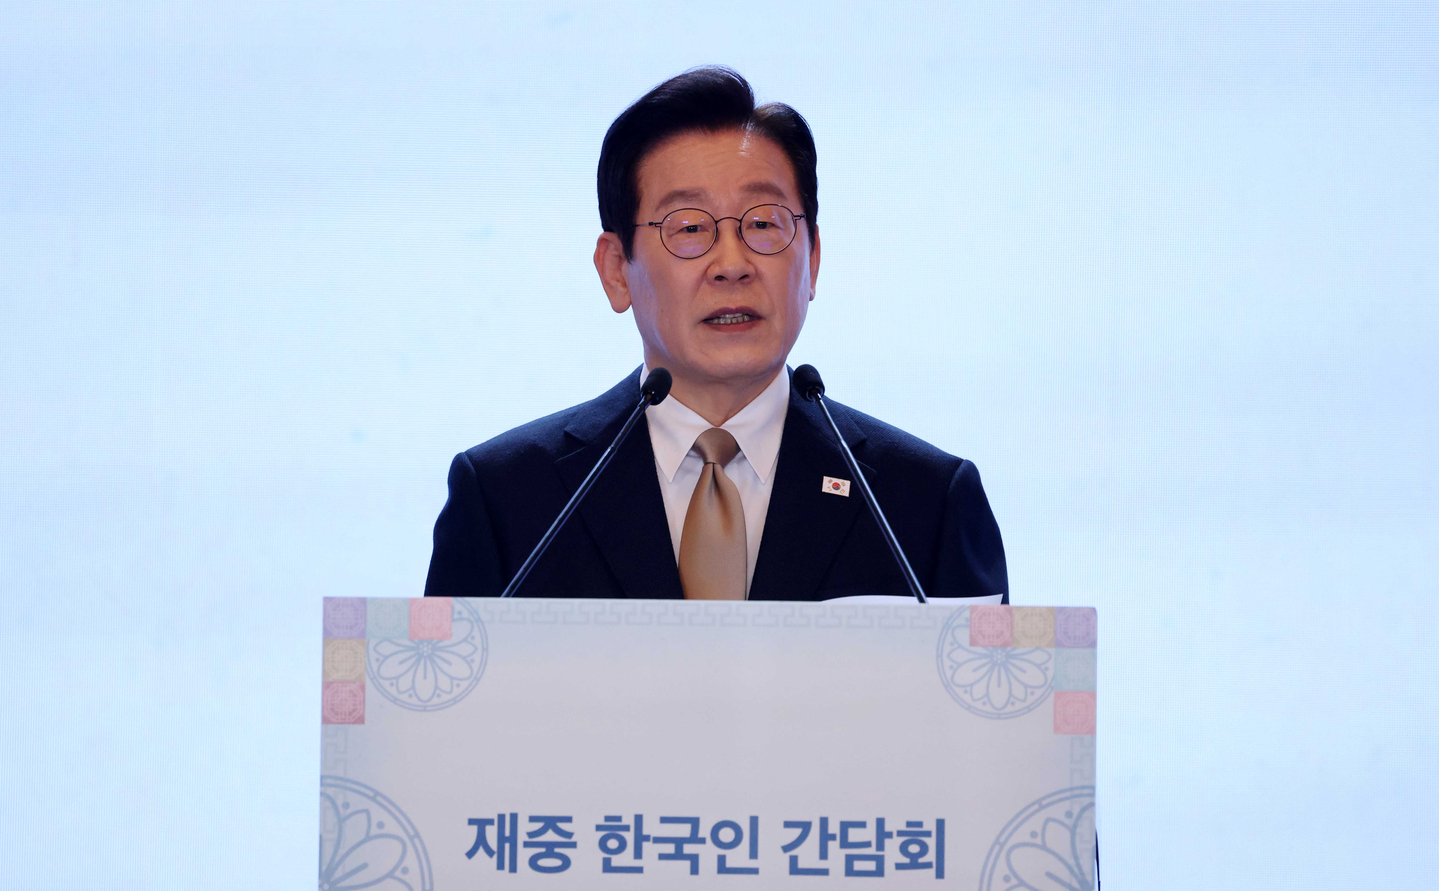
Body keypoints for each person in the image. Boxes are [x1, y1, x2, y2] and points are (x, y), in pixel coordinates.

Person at [424, 67, 1006, 602]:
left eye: (762, 223)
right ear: (614, 270)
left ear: (814, 259)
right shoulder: (508, 500)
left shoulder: (924, 505)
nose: (732, 262)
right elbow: (438, 707)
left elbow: (997, 705)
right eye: (690, 228)